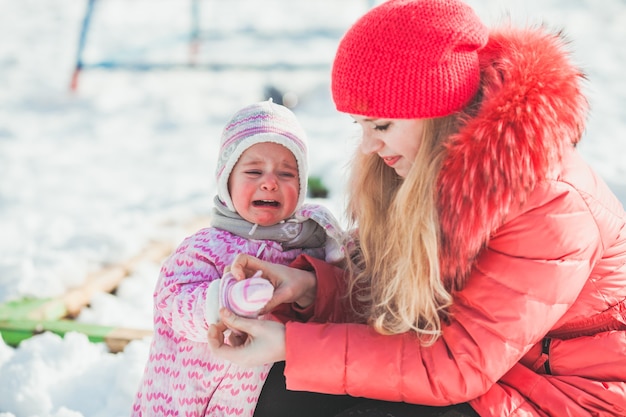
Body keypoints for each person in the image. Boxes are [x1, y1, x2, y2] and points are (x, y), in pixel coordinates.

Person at [207, 1, 626, 416]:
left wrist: (292, 345)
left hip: (564, 396)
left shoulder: (551, 203)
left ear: (437, 112)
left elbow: (458, 363)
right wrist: (312, 290)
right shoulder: (419, 171)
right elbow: (404, 307)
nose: (369, 147)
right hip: (491, 373)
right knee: (285, 388)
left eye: (382, 126)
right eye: (362, 126)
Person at [132, 100, 349, 417]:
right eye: (254, 171)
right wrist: (226, 298)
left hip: (245, 404)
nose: (270, 182)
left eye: (286, 173)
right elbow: (174, 305)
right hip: (180, 400)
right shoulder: (203, 248)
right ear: (226, 180)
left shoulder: (308, 249)